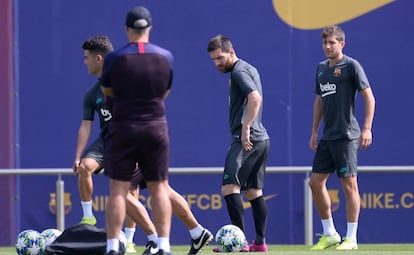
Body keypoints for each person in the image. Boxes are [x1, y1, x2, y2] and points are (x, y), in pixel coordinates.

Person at [100, 6, 174, 255]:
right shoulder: (165, 57)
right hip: (155, 127)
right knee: (159, 187)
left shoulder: (113, 59)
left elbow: (107, 93)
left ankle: (112, 247)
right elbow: (164, 93)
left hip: (123, 127)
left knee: (118, 190)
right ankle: (163, 246)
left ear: (127, 30)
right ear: (150, 28)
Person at [308, 25, 375, 250]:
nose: (327, 46)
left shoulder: (351, 66)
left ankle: (352, 238)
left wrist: (367, 128)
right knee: (315, 183)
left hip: (347, 135)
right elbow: (319, 101)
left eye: (332, 43)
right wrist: (315, 131)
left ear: (341, 44)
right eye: (325, 43)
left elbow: (369, 97)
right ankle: (330, 233)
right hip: (328, 137)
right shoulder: (320, 68)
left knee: (349, 186)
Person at [73, 35, 139, 253]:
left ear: (99, 58)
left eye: (86, 58)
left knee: (130, 189)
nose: (84, 62)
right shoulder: (91, 94)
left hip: (130, 140)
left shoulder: (125, 83)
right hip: (106, 141)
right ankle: (88, 218)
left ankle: (129, 240)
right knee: (84, 168)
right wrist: (77, 155)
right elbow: (85, 125)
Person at [207, 34, 270, 253]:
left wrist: (245, 127)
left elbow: (255, 97)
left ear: (231, 52)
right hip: (261, 139)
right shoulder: (247, 68)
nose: (217, 63)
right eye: (213, 60)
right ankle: (259, 244)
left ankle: (239, 242)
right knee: (253, 192)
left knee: (228, 188)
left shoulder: (239, 70)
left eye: (220, 58)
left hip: (247, 139)